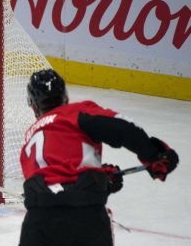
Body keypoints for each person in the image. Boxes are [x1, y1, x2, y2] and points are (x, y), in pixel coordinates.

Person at [18, 69, 179, 246]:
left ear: (33, 106)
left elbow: (54, 184)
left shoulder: (29, 138)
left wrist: (101, 180)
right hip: (84, 216)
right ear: (65, 97)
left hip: (37, 223)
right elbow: (124, 128)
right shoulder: (75, 113)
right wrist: (155, 155)